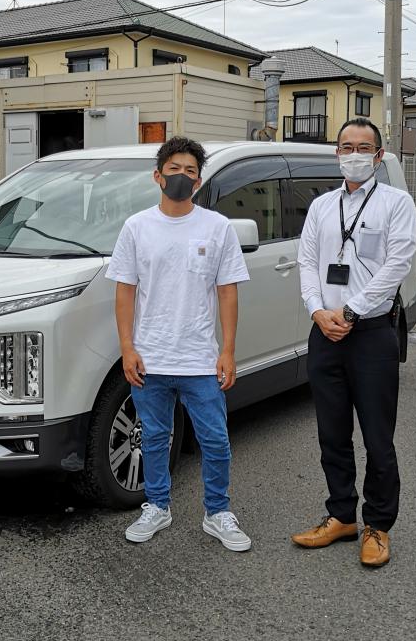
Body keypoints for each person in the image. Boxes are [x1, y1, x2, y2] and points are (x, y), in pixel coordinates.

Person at [106, 136, 252, 551]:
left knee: (215, 439)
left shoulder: (216, 227)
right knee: (153, 437)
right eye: (174, 170)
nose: (182, 177)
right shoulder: (137, 227)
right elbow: (125, 293)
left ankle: (217, 511)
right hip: (150, 357)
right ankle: (157, 505)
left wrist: (227, 350)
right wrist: (127, 348)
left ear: (199, 180)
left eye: (190, 171)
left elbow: (227, 292)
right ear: (158, 176)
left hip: (200, 358)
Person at [293, 117, 416, 567]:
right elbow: (307, 261)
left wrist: (350, 310)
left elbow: (396, 264)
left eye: (364, 147)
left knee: (378, 438)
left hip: (371, 334)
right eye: (347, 146)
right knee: (332, 433)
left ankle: (378, 525)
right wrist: (317, 311)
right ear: (337, 153)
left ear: (379, 155)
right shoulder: (323, 206)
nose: (355, 154)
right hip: (325, 333)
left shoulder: (396, 203)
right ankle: (341, 515)